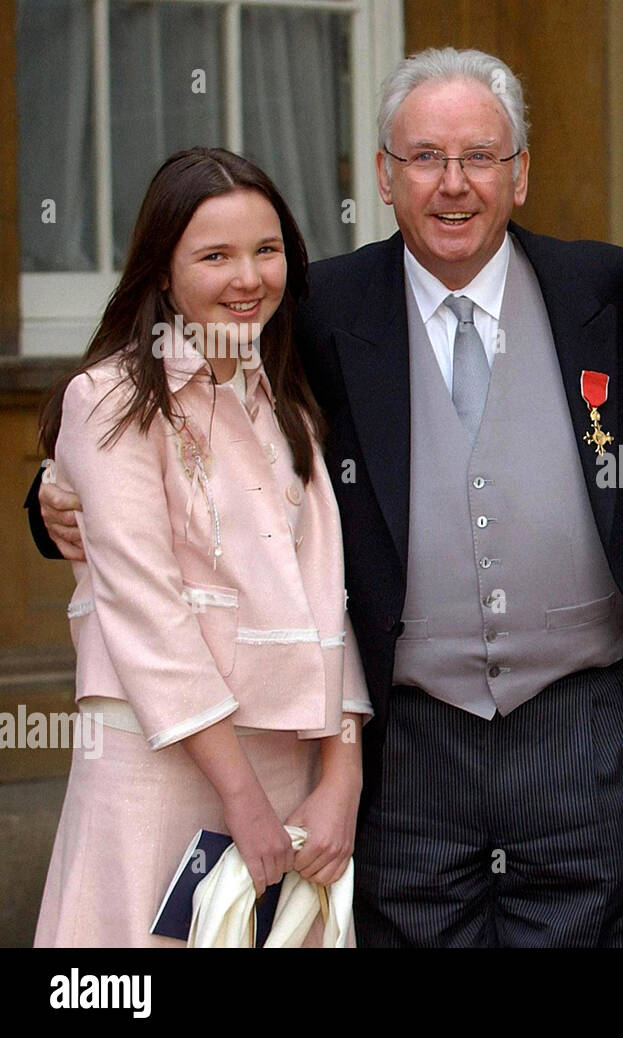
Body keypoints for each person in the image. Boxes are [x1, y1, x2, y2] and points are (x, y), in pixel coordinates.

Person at [34, 47, 623, 947]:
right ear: (383, 175)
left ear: (520, 173)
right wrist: (52, 492)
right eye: (424, 158)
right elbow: (161, 408)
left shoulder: (616, 290)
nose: (453, 185)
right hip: (402, 740)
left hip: (579, 726)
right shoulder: (315, 310)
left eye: (481, 157)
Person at [31, 147, 371, 947]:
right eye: (214, 256)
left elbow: (329, 596)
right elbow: (145, 612)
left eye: (266, 250)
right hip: (161, 767)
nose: (247, 278)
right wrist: (241, 799)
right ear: (162, 272)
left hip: (291, 766)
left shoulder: (286, 399)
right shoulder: (107, 398)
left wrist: (342, 776)